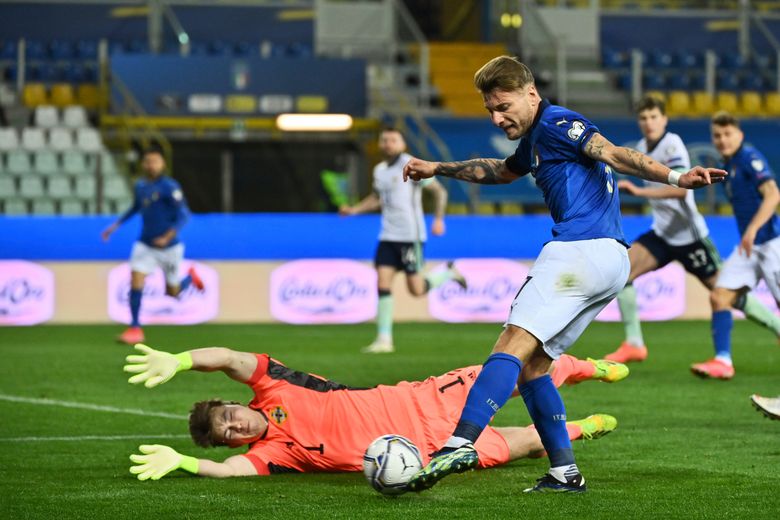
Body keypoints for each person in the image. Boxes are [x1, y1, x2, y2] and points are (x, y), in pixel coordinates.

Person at [401, 55, 724, 493]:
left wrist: (677, 177)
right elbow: (500, 171)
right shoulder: (537, 137)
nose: (497, 118)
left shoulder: (556, 123)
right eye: (490, 111)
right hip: (610, 259)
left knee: (512, 344)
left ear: (530, 93)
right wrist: (437, 167)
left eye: (503, 106)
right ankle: (564, 472)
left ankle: (460, 442)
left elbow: (612, 153)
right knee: (535, 366)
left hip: (578, 251)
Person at [123, 344, 628, 480]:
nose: (234, 426)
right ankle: (584, 428)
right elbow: (229, 471)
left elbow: (231, 358)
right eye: (227, 433)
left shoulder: (272, 385)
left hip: (422, 399)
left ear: (234, 401)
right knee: (529, 444)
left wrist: (182, 360)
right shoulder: (276, 452)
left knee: (520, 370)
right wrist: (186, 463)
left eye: (227, 415)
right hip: (425, 452)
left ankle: (586, 368)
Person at [605, 96, 780, 363]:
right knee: (622, 271)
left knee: (725, 294)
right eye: (643, 118)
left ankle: (776, 328)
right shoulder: (641, 146)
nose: (649, 123)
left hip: (691, 238)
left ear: (664, 119)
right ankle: (634, 343)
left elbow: (681, 190)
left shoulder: (672, 144)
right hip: (663, 234)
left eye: (654, 117)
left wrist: (640, 191)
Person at [339, 127, 466, 354]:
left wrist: (439, 219)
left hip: (410, 236)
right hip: (387, 235)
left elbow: (439, 192)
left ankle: (447, 273)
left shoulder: (413, 164)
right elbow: (377, 199)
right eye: (384, 140)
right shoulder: (379, 170)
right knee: (382, 284)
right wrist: (354, 210)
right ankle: (384, 339)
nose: (388, 143)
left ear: (402, 144)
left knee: (416, 290)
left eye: (393, 140)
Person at [690, 112, 780, 380]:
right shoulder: (728, 166)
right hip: (748, 248)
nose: (722, 140)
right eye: (717, 135)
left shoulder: (749, 158)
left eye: (727, 134)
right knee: (719, 296)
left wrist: (752, 229)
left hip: (771, 245)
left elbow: (773, 194)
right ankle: (723, 361)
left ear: (739, 134)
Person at [101, 148, 203, 345]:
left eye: (155, 161)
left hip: (169, 247)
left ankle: (190, 278)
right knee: (136, 280)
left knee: (172, 293)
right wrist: (114, 226)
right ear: (143, 164)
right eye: (148, 161)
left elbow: (184, 215)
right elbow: (135, 208)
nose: (151, 165)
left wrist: (167, 237)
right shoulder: (140, 186)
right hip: (145, 244)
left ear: (162, 164)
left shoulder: (169, 186)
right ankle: (135, 328)